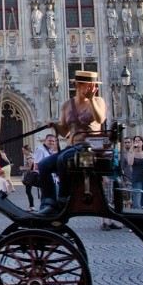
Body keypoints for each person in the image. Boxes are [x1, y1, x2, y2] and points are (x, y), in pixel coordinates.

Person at [36, 70, 107, 216]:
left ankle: (63, 198)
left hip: (90, 148)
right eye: (88, 85)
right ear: (78, 85)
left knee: (63, 158)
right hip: (72, 147)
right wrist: (55, 125)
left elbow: (100, 120)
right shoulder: (67, 105)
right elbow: (65, 132)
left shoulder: (99, 101)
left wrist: (92, 99)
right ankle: (48, 201)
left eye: (93, 85)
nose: (92, 88)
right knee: (43, 165)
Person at [126, 136, 143, 210]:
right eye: (135, 140)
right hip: (137, 179)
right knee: (137, 202)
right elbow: (130, 163)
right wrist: (133, 149)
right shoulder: (131, 153)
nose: (137, 142)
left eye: (139, 140)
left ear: (142, 143)